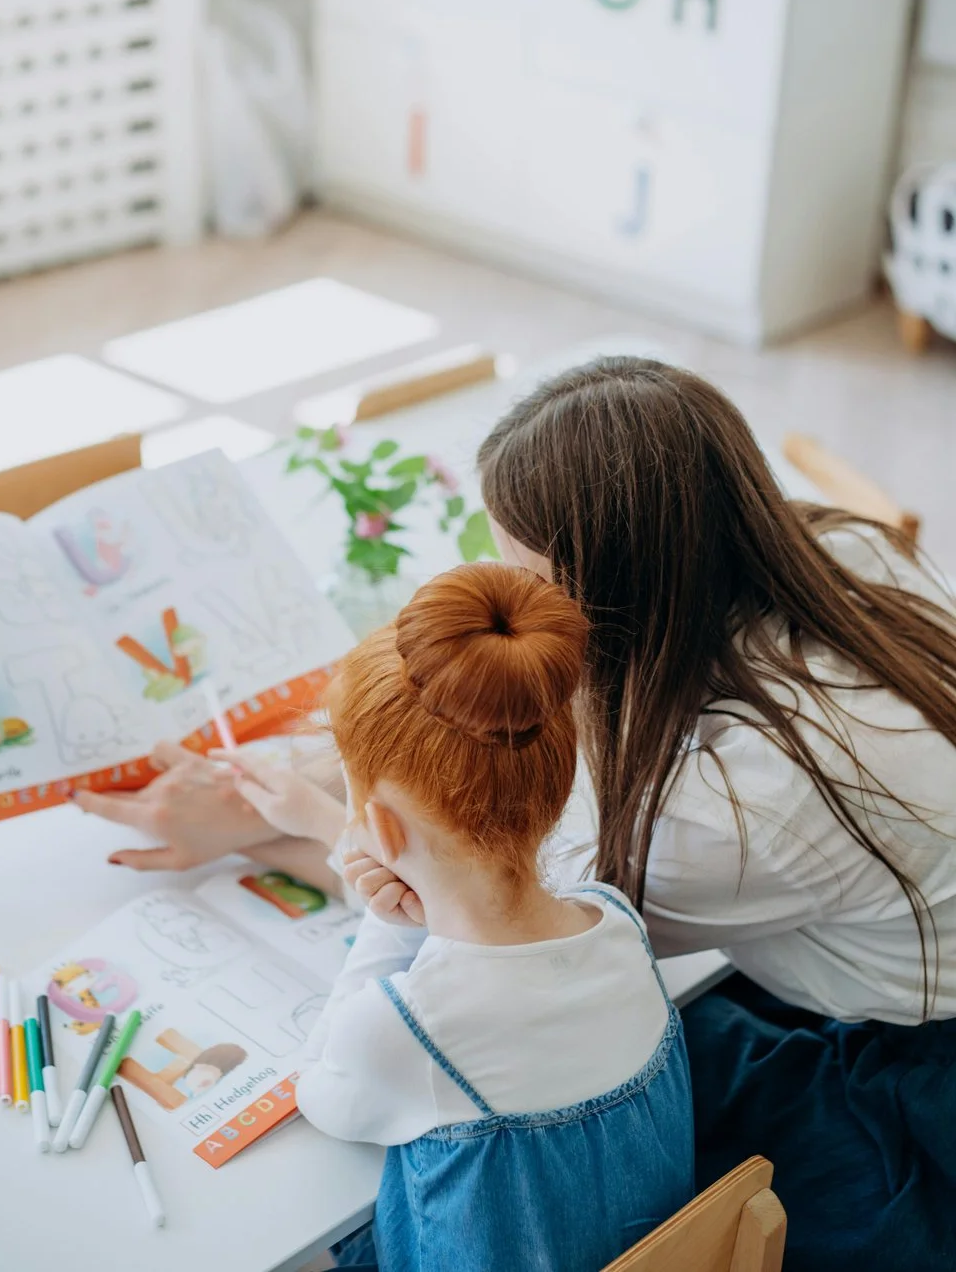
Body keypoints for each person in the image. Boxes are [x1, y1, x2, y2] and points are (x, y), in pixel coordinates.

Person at [76, 356, 956, 1271]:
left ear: (623, 595)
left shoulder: (734, 810)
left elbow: (491, 888)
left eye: (527, 575)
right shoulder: (840, 550)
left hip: (909, 1090)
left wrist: (286, 825)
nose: (512, 597)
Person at [253, 562, 692, 1272]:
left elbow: (321, 1085)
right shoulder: (620, 924)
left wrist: (389, 921)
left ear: (379, 830)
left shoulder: (401, 1029)